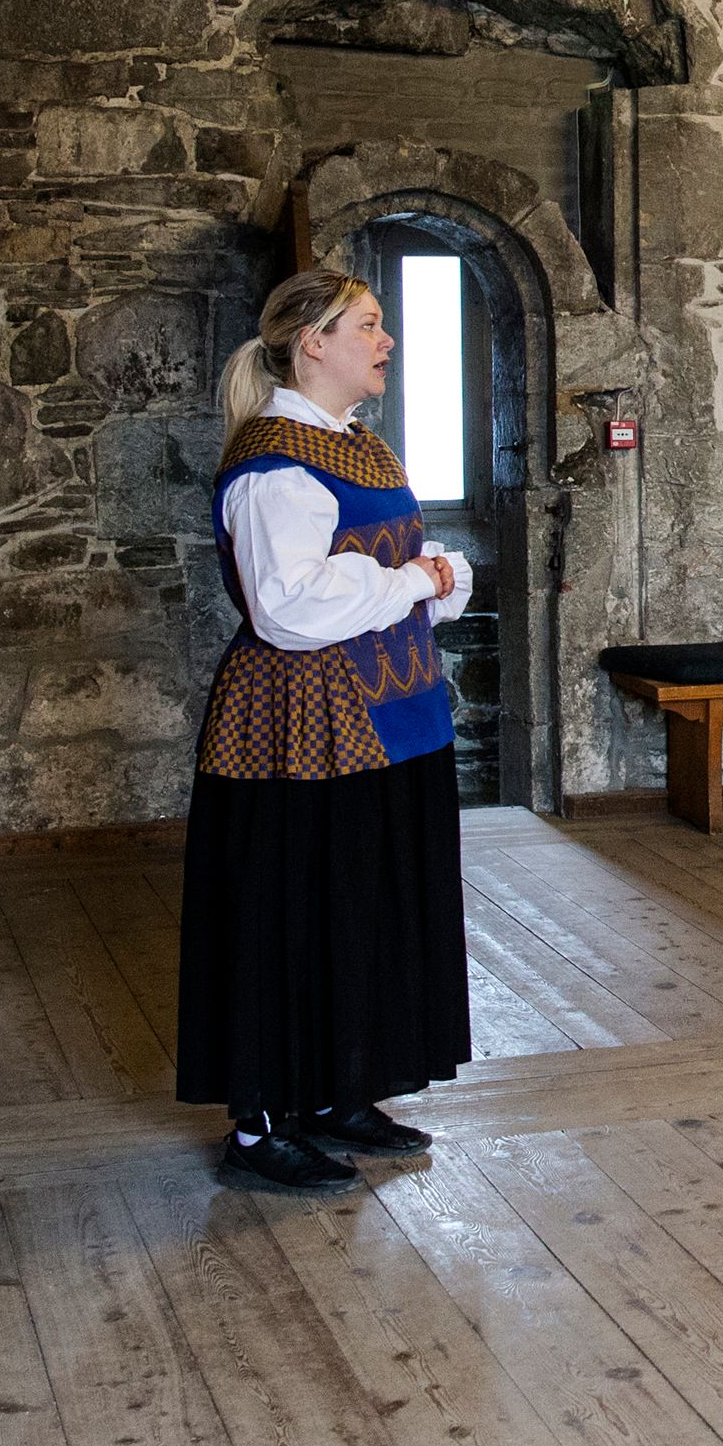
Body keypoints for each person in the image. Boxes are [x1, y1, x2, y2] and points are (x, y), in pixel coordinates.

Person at [180, 266, 477, 1191]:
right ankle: (263, 1124)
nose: (385, 341)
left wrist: (426, 581)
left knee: (363, 903)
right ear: (313, 343)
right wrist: (416, 583)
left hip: (393, 709)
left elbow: (413, 568)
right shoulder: (275, 460)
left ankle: (339, 1090)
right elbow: (290, 606)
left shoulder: (359, 445)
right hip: (300, 722)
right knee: (292, 909)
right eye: (368, 325)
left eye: (383, 325)